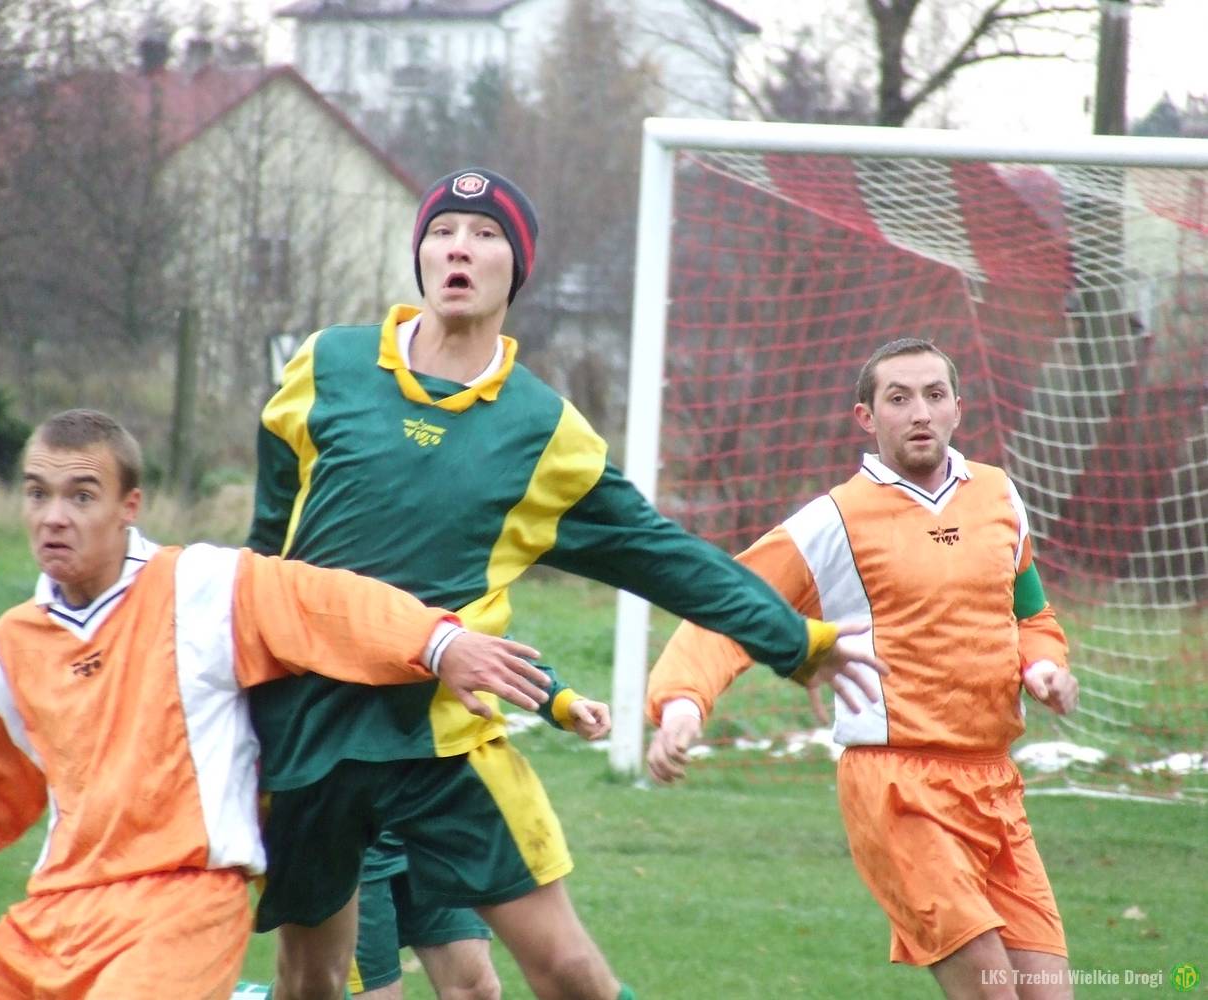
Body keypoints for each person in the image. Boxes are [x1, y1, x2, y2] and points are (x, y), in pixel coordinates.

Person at [246, 166, 887, 1000]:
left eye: (484, 235)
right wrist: (239, 679)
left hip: (441, 744)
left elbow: (659, 553)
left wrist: (791, 640)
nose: (459, 248)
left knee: (569, 971)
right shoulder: (326, 365)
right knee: (311, 982)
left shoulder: (543, 430)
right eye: (442, 232)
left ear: (516, 268)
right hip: (307, 734)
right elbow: (265, 549)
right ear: (420, 255)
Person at [0, 408, 554, 1000]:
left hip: (182, 907)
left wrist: (438, 644)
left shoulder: (199, 586)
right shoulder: (14, 642)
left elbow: (325, 605)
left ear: (129, 506)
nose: (54, 516)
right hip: (52, 916)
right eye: (37, 493)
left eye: (81, 496)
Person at [645, 339, 1080, 1000]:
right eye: (898, 398)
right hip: (897, 787)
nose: (919, 412)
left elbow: (1030, 614)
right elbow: (727, 606)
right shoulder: (834, 521)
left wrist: (1043, 665)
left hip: (994, 784)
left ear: (957, 408)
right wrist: (682, 701)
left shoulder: (998, 495)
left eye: (934, 395)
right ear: (866, 418)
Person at [347, 692, 610, 1000]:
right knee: (373, 993)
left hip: (438, 798)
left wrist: (558, 698)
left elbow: (482, 660)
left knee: (476, 989)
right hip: (350, 810)